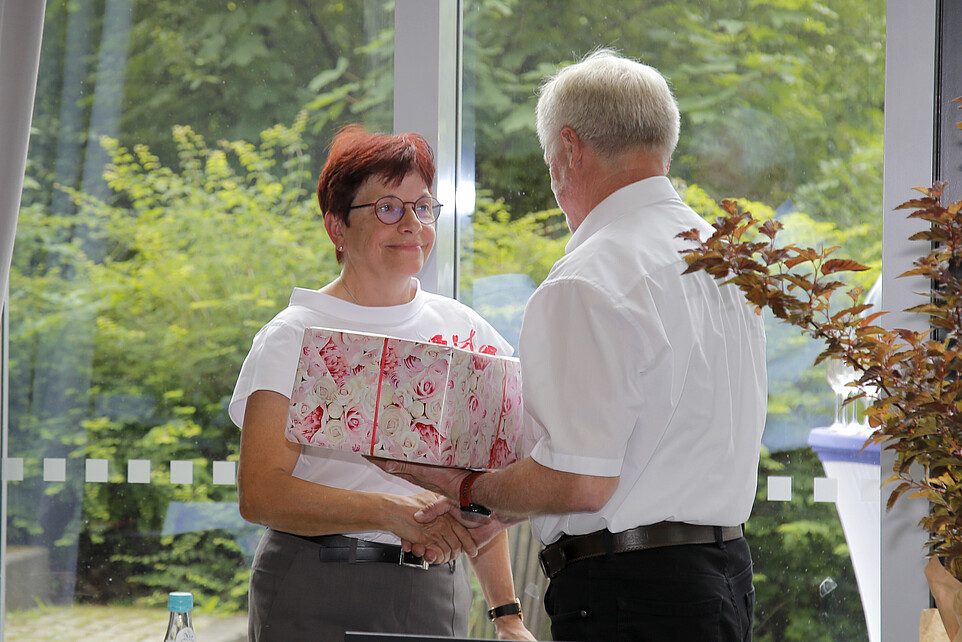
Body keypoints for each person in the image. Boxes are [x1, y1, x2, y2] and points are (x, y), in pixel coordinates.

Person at [373, 49, 768, 641]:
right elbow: (647, 454)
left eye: (549, 161)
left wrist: (465, 488)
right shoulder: (724, 263)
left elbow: (581, 483)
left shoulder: (591, 277)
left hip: (631, 597)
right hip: (724, 580)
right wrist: (502, 511)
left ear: (569, 151)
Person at [229, 125, 534, 641]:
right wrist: (391, 511)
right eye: (389, 208)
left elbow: (480, 482)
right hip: (316, 585)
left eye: (423, 207)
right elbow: (260, 493)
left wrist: (507, 616)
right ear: (336, 227)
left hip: (434, 592)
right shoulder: (295, 334)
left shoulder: (464, 331)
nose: (412, 224)